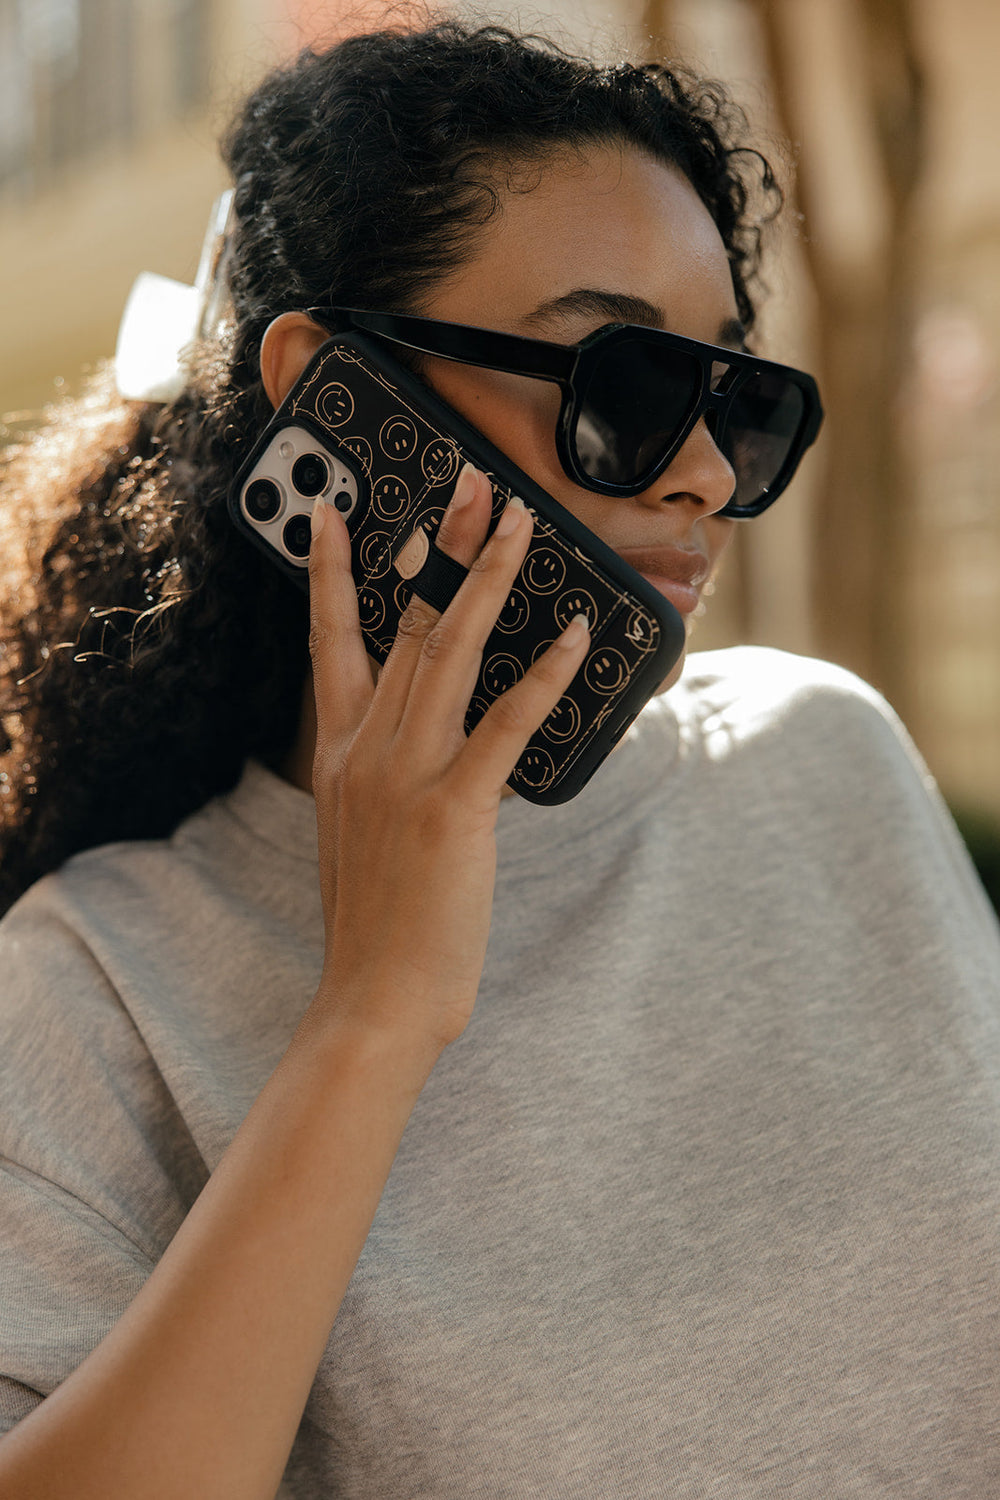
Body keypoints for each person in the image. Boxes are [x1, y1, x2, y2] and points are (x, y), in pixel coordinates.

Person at [0, 18, 998, 1500]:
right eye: (621, 384)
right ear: (334, 393)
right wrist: (374, 1014)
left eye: (735, 395)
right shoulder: (93, 985)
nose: (704, 474)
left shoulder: (824, 759)